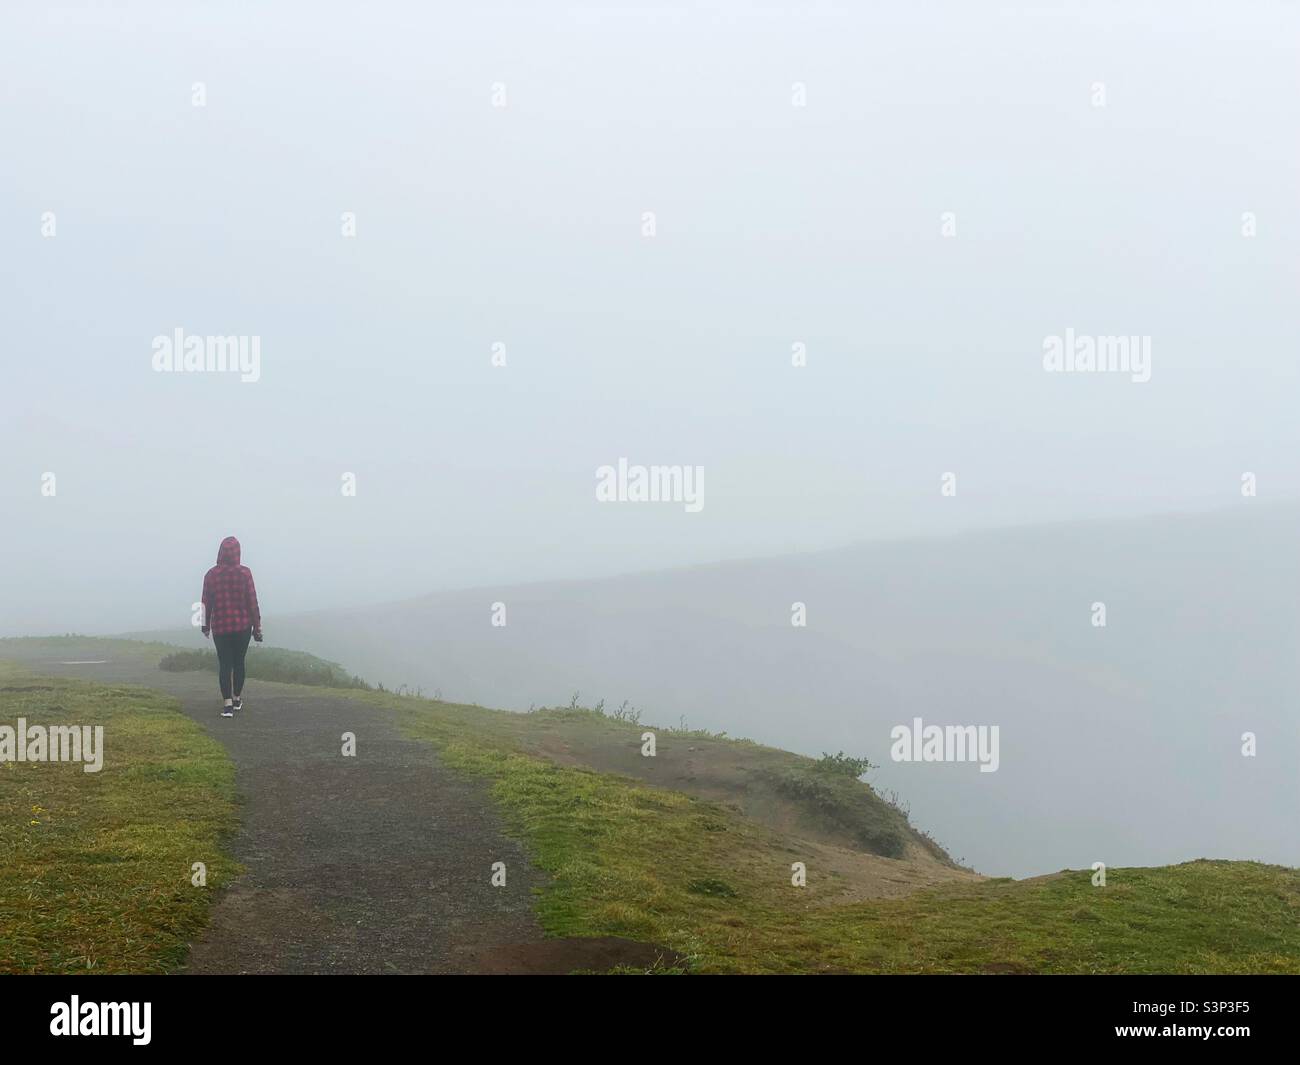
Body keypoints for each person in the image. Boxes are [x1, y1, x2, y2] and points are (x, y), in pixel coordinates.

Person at [200, 536, 263, 718]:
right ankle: (237, 699)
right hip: (242, 626)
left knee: (225, 664)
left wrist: (204, 626)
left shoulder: (211, 575)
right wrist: (257, 626)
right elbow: (252, 601)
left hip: (220, 627)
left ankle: (227, 704)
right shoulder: (245, 573)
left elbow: (205, 602)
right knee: (239, 662)